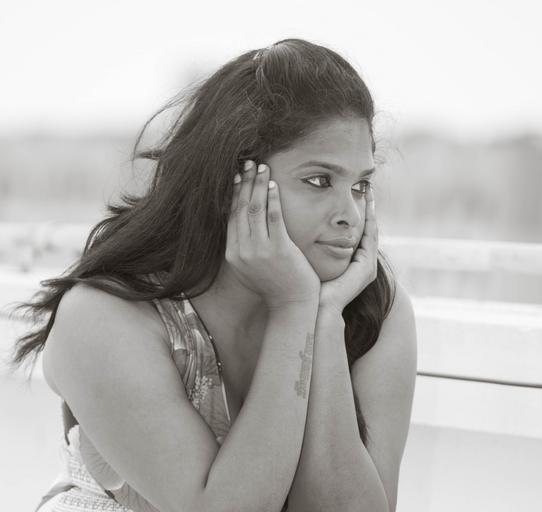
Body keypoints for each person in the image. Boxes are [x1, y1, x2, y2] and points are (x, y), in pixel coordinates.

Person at [10, 38, 417, 512]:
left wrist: (323, 321)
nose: (351, 214)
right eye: (319, 181)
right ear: (231, 184)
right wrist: (293, 310)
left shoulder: (369, 306)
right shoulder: (103, 317)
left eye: (361, 184)